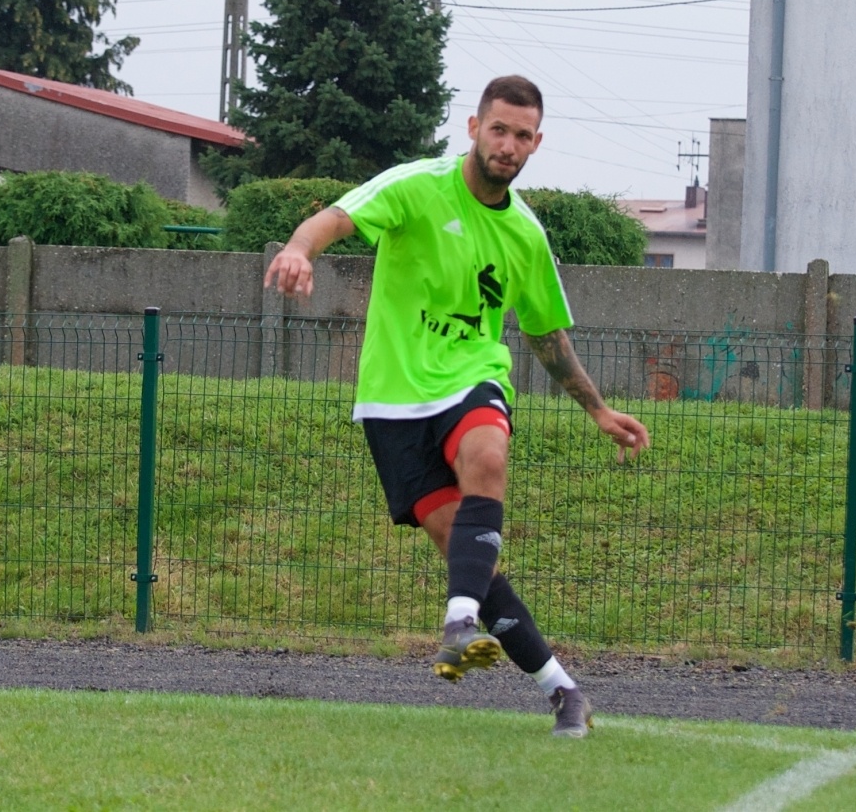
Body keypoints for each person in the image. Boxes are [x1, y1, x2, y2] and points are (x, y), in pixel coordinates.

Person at [263, 74, 650, 739]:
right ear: (474, 128)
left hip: (472, 377)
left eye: (522, 135)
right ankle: (563, 691)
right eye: (498, 129)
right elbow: (336, 217)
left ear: (536, 143)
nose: (508, 144)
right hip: (394, 399)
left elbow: (545, 333)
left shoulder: (525, 234)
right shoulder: (416, 186)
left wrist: (597, 410)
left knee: (486, 454)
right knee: (469, 553)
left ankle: (458, 622)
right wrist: (300, 249)